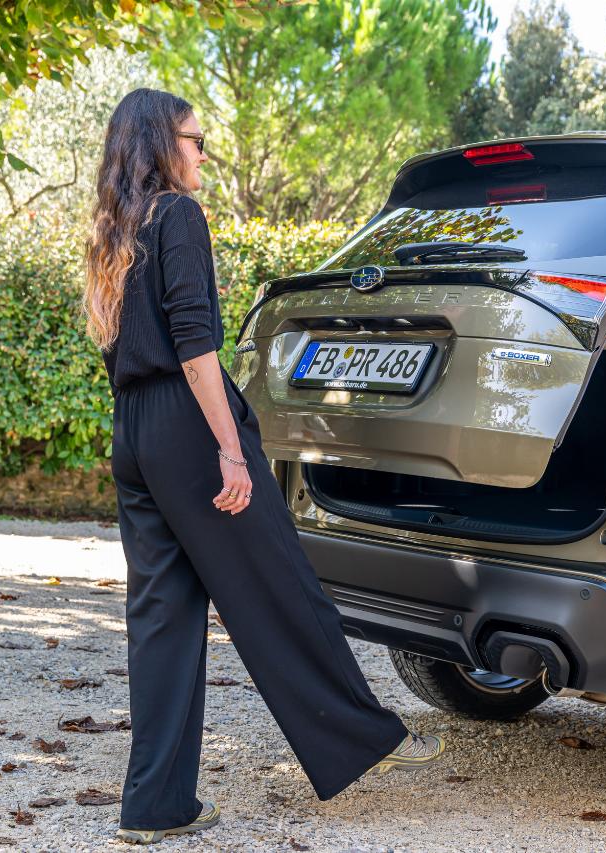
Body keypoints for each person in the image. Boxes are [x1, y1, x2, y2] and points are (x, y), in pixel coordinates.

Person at [82, 88, 445, 846]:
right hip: (189, 424)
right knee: (279, 582)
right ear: (162, 144)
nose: (203, 153)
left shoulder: (115, 231)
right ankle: (364, 736)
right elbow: (196, 345)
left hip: (135, 430)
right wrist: (227, 445)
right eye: (195, 139)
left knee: (162, 617)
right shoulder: (178, 216)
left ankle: (154, 806)